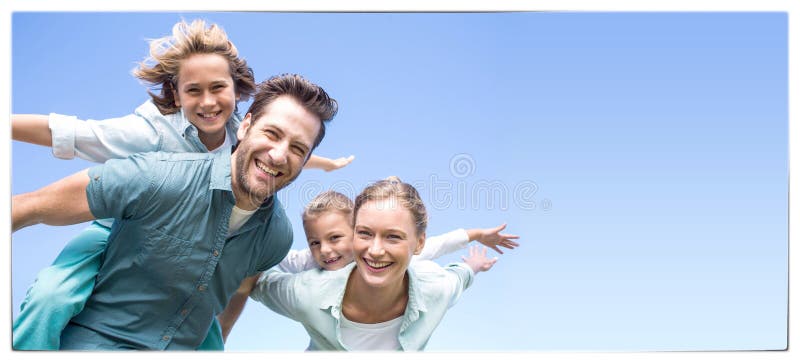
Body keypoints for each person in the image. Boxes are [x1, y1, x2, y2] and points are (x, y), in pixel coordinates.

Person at [11, 20, 351, 351]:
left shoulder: (270, 228)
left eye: (297, 149)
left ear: (236, 93)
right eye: (194, 90)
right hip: (115, 225)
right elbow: (71, 138)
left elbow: (281, 157)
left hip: (181, 316)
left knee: (208, 335)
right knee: (51, 298)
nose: (208, 102)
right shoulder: (152, 143)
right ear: (176, 95)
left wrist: (327, 164)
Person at [217, 190, 519, 342]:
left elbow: (438, 246)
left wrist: (476, 238)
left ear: (356, 231)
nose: (326, 250)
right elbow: (273, 253)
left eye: (336, 238)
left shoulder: (388, 261)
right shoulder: (307, 264)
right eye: (315, 242)